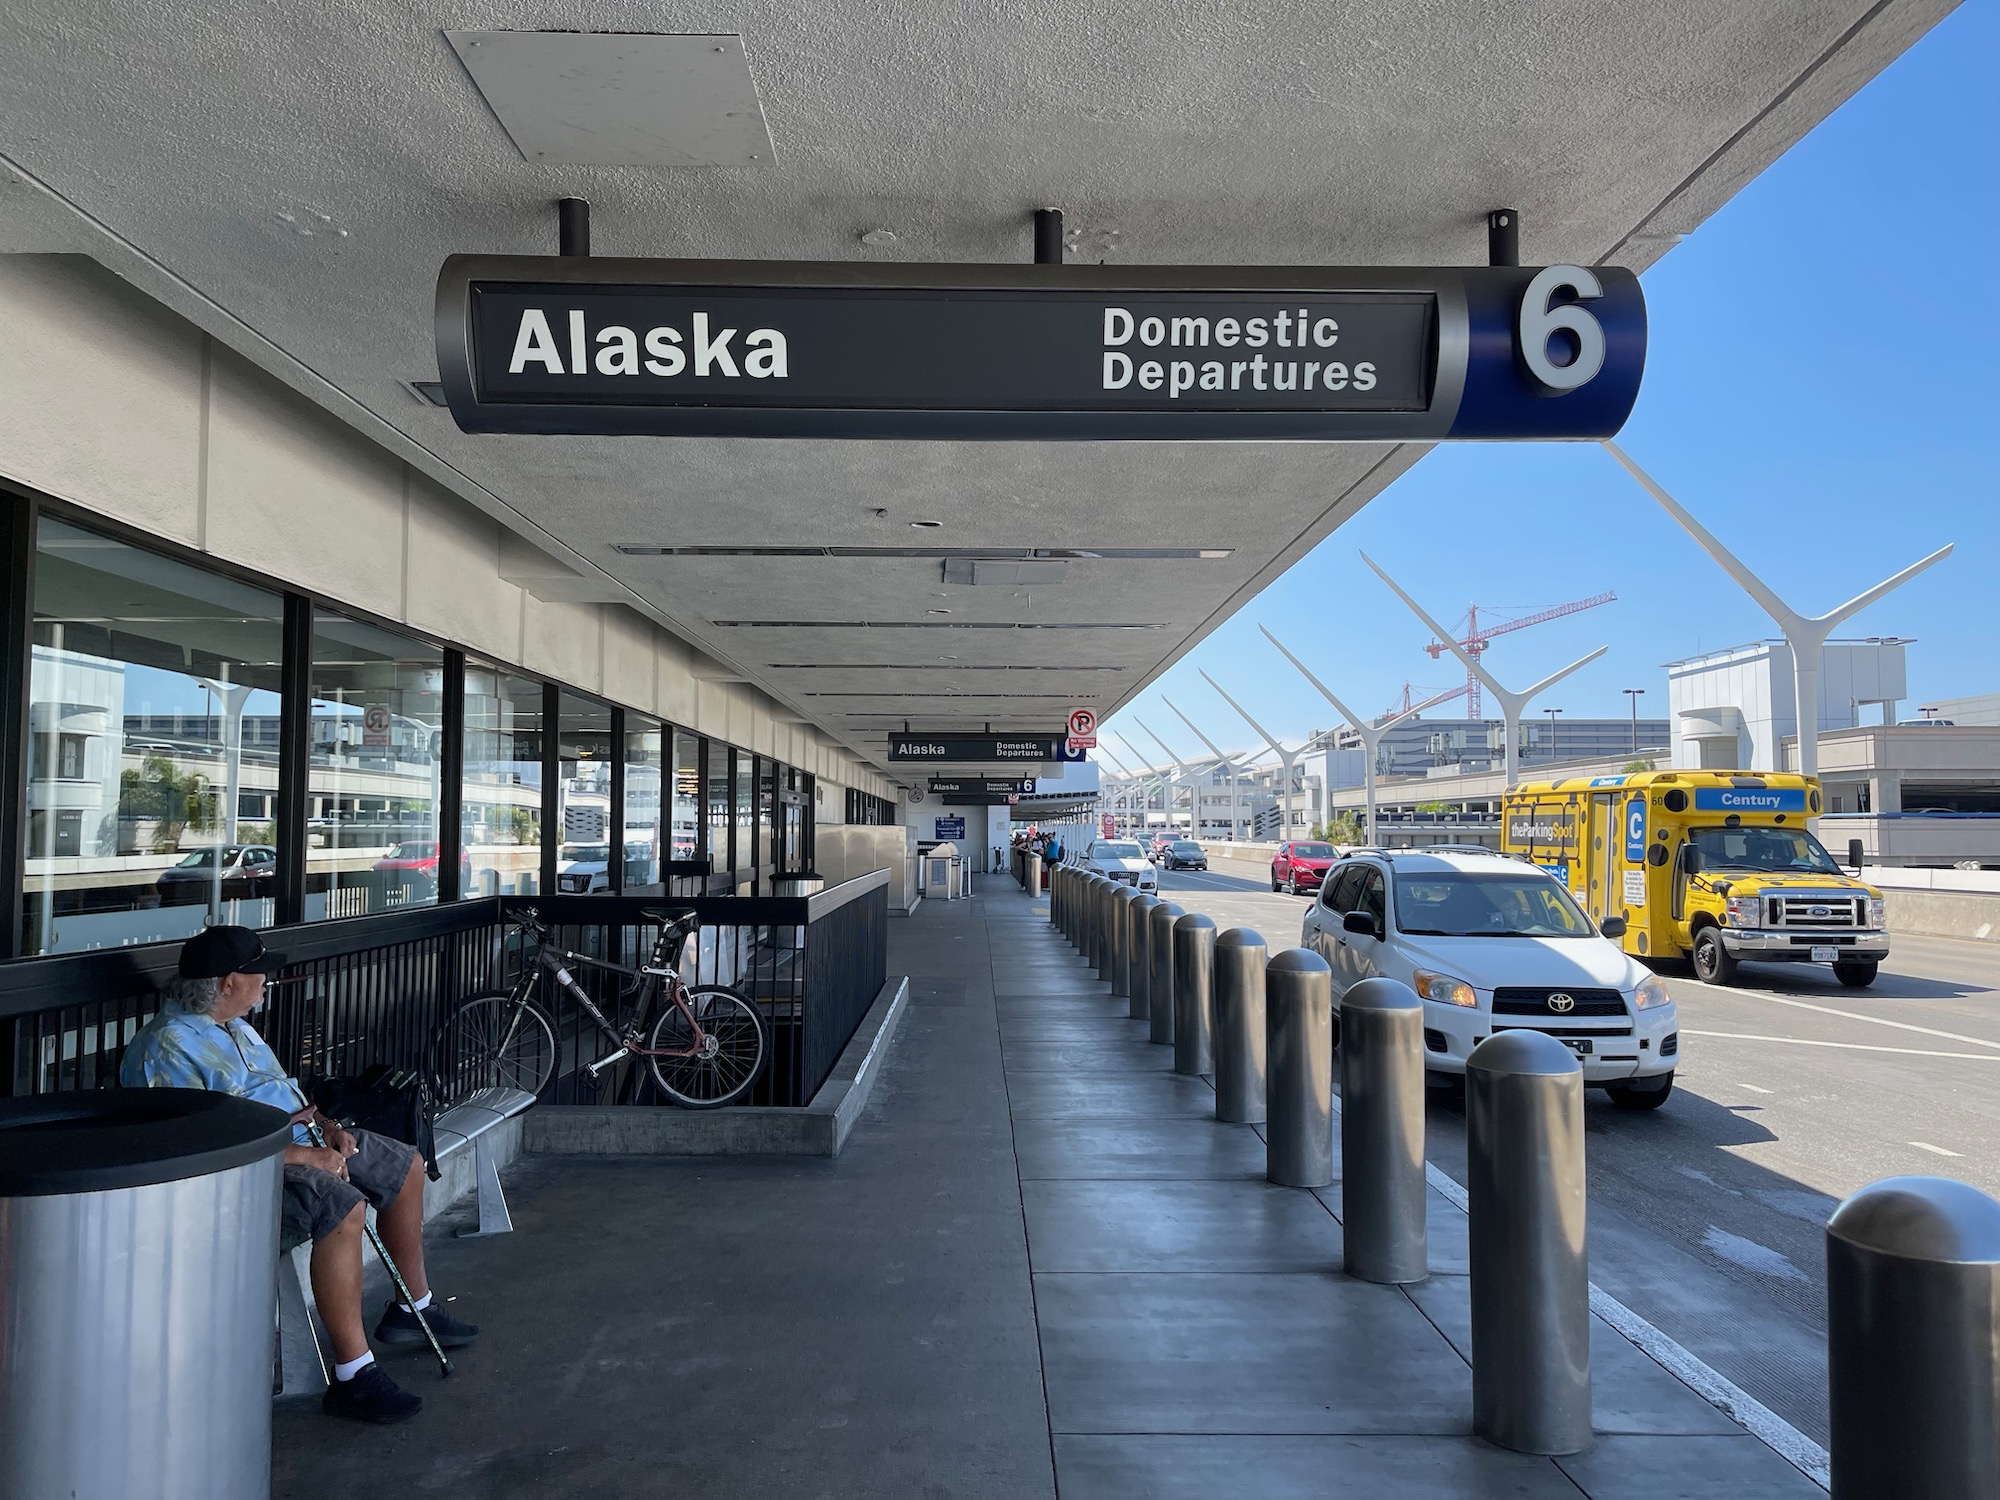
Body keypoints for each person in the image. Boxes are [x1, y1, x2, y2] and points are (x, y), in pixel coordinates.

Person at [120, 925, 477, 1424]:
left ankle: (411, 1306)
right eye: (259, 972)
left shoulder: (235, 1023)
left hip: (302, 1142)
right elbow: (203, 1143)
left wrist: (328, 1128)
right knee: (342, 1205)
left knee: (406, 1165)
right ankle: (354, 1374)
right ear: (227, 981)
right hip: (243, 1173)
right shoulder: (168, 1048)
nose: (267, 981)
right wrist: (307, 1159)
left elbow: (284, 1097)